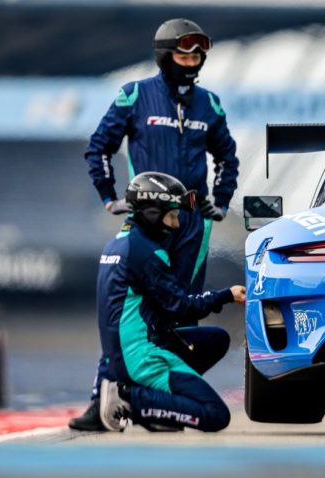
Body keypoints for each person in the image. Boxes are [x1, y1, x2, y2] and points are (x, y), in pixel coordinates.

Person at [71, 18, 240, 431]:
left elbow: (228, 158)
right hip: (146, 223)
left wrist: (221, 202)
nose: (191, 61)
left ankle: (166, 407)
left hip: (192, 224)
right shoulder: (135, 95)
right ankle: (103, 399)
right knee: (128, 313)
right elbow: (99, 147)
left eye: (197, 56)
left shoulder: (210, 104)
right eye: (183, 54)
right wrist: (108, 196)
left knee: (181, 310)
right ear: (165, 55)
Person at [94, 172, 245, 433]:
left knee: (216, 339)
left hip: (121, 353)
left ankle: (160, 405)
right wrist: (227, 295)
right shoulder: (148, 254)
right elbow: (181, 307)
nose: (176, 225)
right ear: (153, 213)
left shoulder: (117, 243)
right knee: (216, 414)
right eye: (172, 216)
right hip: (141, 357)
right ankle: (129, 400)